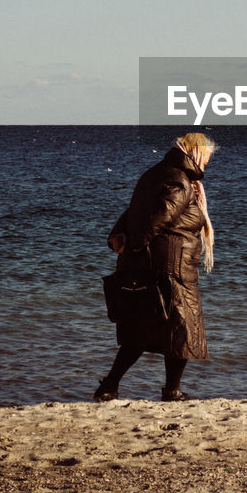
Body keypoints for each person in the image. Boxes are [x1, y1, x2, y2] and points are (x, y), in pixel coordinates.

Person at [94, 132, 217, 402]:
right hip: (171, 268)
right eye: (206, 157)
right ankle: (171, 391)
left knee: (143, 329)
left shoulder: (157, 173)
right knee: (182, 329)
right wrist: (135, 245)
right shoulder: (180, 182)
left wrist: (122, 238)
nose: (207, 163)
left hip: (157, 264)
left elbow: (134, 210)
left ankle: (110, 386)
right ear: (195, 153)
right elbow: (158, 218)